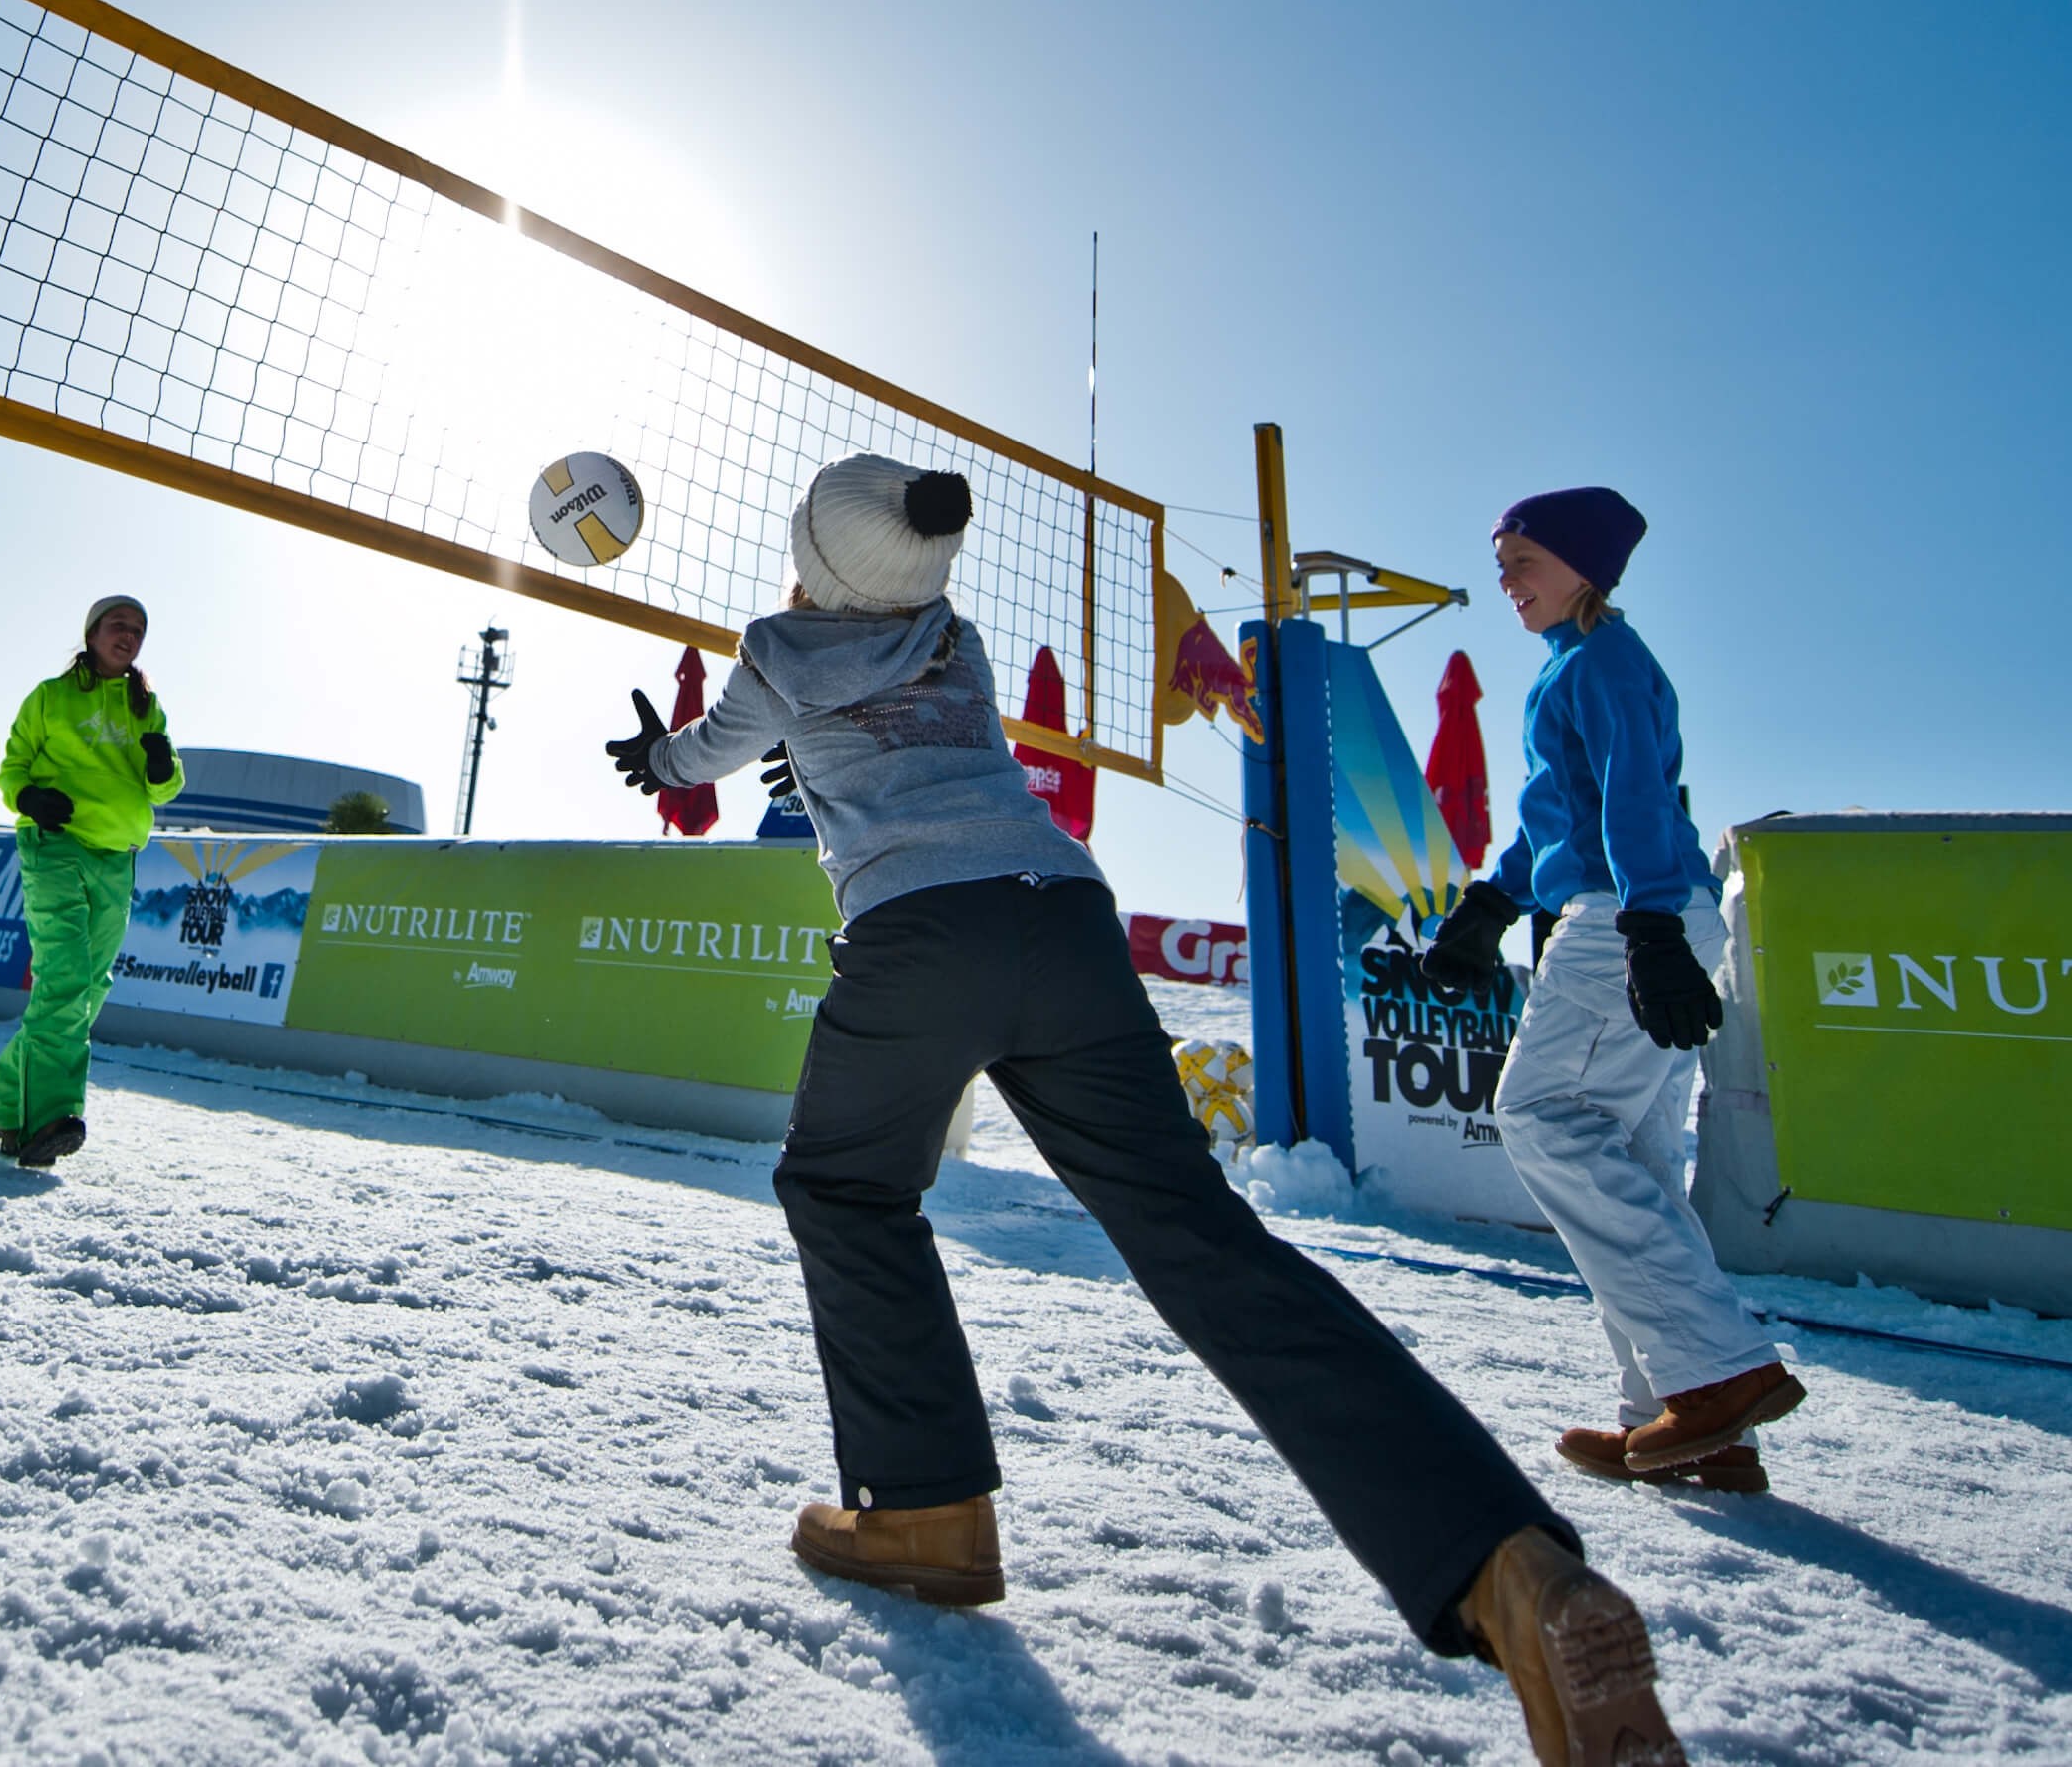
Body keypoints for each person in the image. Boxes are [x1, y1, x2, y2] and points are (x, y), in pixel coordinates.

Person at [609, 454, 1688, 1767]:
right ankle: (1510, 1566)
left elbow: (713, 747)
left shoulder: (779, 648)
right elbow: (904, 730)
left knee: (844, 1186)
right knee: (1205, 1241)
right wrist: (816, 756)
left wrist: (662, 751)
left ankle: (925, 1510)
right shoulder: (957, 641)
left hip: (919, 937)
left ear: (817, 563)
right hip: (1065, 920)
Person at [1420, 489, 1802, 1496]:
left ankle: (1719, 1373)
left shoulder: (1602, 664)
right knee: (1626, 1151)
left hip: (1628, 917)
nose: (1506, 582)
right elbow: (1565, 813)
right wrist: (1491, 903)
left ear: (1582, 564)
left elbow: (1636, 793)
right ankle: (1687, 1422)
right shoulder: (1572, 669)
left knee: (1544, 1119)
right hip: (1632, 906)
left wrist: (1649, 930)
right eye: (1499, 565)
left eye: (1521, 561)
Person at [0, 596, 182, 1169]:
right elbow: (12, 767)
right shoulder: (49, 696)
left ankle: (8, 1102)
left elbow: (167, 788)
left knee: (88, 988)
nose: (129, 635)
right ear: (92, 633)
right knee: (66, 978)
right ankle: (51, 1117)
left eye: (139, 629)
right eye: (118, 625)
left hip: (117, 856)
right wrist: (27, 798)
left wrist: (161, 768)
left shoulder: (148, 706)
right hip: (56, 845)